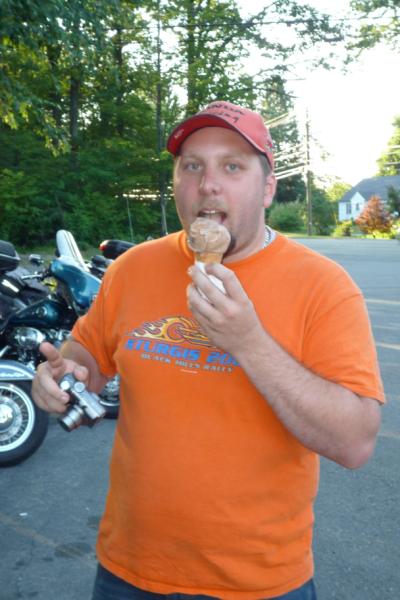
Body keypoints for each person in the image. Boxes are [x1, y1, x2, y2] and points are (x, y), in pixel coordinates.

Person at [32, 100, 384, 600]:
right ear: (176, 182)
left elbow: (354, 443)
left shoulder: (324, 287)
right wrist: (66, 375)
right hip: (129, 570)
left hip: (261, 582)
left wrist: (249, 342)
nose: (208, 184)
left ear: (267, 188)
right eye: (192, 166)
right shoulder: (134, 269)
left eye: (232, 166)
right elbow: (88, 355)